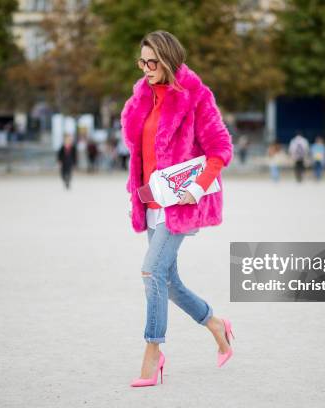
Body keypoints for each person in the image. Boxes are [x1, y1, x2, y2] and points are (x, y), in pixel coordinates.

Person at [121, 31, 235, 387]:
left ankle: (153, 352)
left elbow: (220, 149)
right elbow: (140, 158)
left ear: (168, 59)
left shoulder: (196, 97)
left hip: (181, 206)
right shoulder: (141, 98)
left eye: (151, 62)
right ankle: (216, 324)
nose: (145, 68)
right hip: (152, 204)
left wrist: (197, 188)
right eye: (141, 61)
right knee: (169, 282)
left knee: (150, 272)